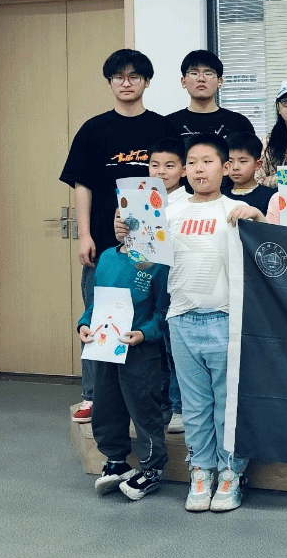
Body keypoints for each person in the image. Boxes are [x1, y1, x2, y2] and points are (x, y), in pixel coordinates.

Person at [59, 49, 180, 423]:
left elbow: (179, 182)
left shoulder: (163, 128)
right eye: (119, 77)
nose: (126, 83)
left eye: (134, 76)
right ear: (109, 82)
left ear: (147, 81)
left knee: (154, 320)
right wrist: (84, 235)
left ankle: (159, 399)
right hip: (106, 245)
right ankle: (94, 395)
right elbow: (82, 185)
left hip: (155, 247)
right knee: (101, 317)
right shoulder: (93, 129)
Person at [164, 133, 260, 512]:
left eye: (207, 161)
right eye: (192, 162)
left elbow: (271, 249)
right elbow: (144, 260)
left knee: (227, 404)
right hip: (181, 320)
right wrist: (129, 230)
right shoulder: (169, 211)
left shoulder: (236, 208)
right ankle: (201, 471)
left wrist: (258, 217)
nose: (199, 169)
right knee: (195, 406)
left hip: (226, 320)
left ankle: (231, 473)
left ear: (225, 167)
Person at [76, 239, 170, 501]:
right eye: (118, 218)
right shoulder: (107, 257)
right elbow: (94, 304)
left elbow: (163, 310)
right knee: (106, 404)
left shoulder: (157, 263)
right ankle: (116, 460)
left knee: (144, 409)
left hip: (140, 351)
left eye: (129, 220)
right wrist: (84, 324)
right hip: (105, 348)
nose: (122, 223)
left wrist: (145, 333)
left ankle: (152, 468)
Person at [144, 137, 191, 434]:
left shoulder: (188, 203)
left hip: (176, 287)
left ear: (184, 170)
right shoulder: (140, 201)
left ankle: (179, 407)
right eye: (155, 165)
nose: (161, 171)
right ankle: (158, 405)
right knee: (152, 350)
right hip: (147, 284)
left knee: (175, 353)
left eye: (169, 165)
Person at [166, 50, 256, 197]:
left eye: (208, 73)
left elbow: (249, 166)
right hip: (181, 200)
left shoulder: (239, 123)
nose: (201, 79)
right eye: (194, 73)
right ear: (183, 81)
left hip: (230, 199)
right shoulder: (168, 124)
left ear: (220, 81)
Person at [224, 131, 276, 216]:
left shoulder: (271, 197)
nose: (235, 167)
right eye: (230, 161)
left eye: (242, 161)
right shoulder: (220, 195)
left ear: (257, 165)